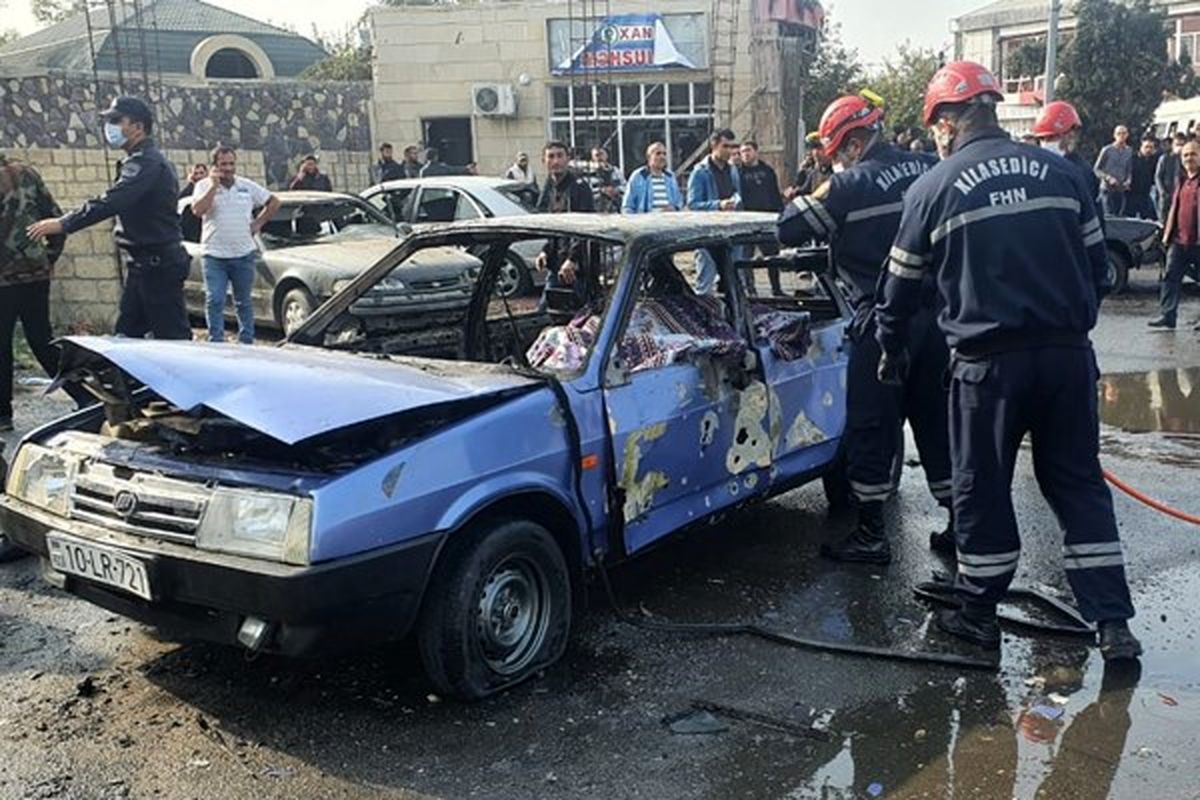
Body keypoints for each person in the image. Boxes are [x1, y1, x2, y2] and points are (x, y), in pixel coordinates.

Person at [875, 61, 1141, 662]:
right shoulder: (1065, 173)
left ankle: (977, 614)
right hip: (1068, 358)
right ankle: (1113, 624)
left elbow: (897, 294)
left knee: (982, 484)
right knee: (1077, 484)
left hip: (986, 367)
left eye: (936, 124)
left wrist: (892, 351)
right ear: (992, 107)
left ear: (947, 120)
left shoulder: (932, 189)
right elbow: (1100, 271)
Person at [778, 94, 952, 563]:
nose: (831, 160)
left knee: (871, 427)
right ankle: (961, 527)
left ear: (853, 143)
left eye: (833, 152)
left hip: (880, 325)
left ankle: (871, 535)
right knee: (939, 424)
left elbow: (787, 229)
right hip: (938, 321)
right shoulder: (928, 167)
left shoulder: (848, 185)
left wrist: (819, 189)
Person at [27, 96, 192, 341]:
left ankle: (187, 380)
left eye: (116, 120)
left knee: (173, 341)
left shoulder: (145, 162)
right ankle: (131, 380)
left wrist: (64, 224)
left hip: (157, 265)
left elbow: (112, 201)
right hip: (144, 264)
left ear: (138, 127)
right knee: (127, 338)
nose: (110, 127)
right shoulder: (140, 160)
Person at [0, 153, 90, 431]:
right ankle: (85, 397)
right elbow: (56, 219)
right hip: (35, 275)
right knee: (42, 340)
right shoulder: (27, 174)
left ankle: (3, 414)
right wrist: (47, 258)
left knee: (2, 345)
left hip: (4, 279)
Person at [189, 145, 280, 345]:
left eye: (231, 163)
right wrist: (213, 186)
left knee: (244, 301)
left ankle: (247, 340)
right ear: (215, 165)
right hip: (214, 255)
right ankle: (217, 341)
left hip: (243, 254)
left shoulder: (246, 186)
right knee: (215, 299)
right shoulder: (203, 185)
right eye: (223, 164)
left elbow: (274, 202)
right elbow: (198, 210)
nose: (228, 168)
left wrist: (258, 223)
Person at [535, 141, 595, 305]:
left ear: (568, 158)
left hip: (578, 267)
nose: (556, 161)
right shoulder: (549, 186)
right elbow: (549, 225)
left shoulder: (579, 186)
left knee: (581, 314)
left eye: (560, 156)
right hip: (556, 263)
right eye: (551, 157)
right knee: (548, 311)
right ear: (544, 161)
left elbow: (586, 227)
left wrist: (573, 259)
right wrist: (544, 251)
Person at [1149, 139, 1200, 332]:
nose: (1189, 158)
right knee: (1170, 277)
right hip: (1178, 240)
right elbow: (1174, 209)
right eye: (1185, 155)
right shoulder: (1182, 180)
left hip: (1198, 241)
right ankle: (1168, 315)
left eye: (1193, 154)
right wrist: (1167, 235)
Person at [687, 129, 742, 295]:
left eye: (732, 147)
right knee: (705, 284)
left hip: (730, 230)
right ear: (714, 145)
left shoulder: (732, 170)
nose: (730, 151)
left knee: (733, 282)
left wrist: (735, 200)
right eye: (725, 146)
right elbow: (693, 204)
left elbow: (737, 191)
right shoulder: (700, 172)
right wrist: (718, 205)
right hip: (708, 234)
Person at [739, 140, 785, 295]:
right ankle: (751, 291)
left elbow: (775, 193)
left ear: (756, 151)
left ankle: (777, 289)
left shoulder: (767, 171)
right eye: (742, 151)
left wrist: (780, 214)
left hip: (766, 219)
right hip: (746, 221)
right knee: (747, 259)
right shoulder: (738, 173)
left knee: (772, 257)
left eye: (748, 150)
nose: (745, 154)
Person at [1032, 100, 1099, 203]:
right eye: (1042, 139)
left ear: (1071, 135)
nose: (1046, 143)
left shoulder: (1081, 172)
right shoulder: (1034, 167)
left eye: (1052, 137)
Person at [622, 141, 683, 213]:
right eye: (658, 153)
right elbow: (627, 206)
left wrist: (674, 208)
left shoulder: (670, 176)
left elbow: (678, 202)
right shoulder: (638, 176)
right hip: (646, 222)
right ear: (649, 157)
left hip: (669, 221)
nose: (662, 157)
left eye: (664, 154)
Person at [1095, 125, 1133, 216]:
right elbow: (1096, 169)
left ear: (1127, 135)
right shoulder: (1107, 150)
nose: (1121, 136)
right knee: (1108, 216)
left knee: (1119, 217)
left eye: (1124, 133)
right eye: (1119, 133)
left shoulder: (1129, 151)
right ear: (1114, 135)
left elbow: (1129, 169)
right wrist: (1108, 178)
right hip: (1107, 189)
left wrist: (1128, 180)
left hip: (1120, 189)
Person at [787, 133, 833, 200]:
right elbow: (804, 190)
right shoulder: (814, 173)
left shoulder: (837, 172)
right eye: (813, 148)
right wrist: (793, 192)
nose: (816, 153)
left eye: (820, 148)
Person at [1155, 132, 1187, 223]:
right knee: (1163, 220)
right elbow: (1158, 176)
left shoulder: (1186, 160)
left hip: (1181, 195)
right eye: (1177, 144)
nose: (1179, 147)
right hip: (1166, 195)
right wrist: (1162, 192)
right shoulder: (1165, 158)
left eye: (1182, 144)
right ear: (1172, 145)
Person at [1127, 136, 1159, 220]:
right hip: (1131, 194)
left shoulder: (1155, 160)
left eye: (1151, 147)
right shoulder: (1132, 159)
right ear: (1141, 147)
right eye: (1146, 147)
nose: (1148, 150)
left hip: (1145, 194)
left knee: (1150, 219)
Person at [588, 147, 626, 214]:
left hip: (615, 209)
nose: (600, 157)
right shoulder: (587, 173)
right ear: (592, 157)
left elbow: (625, 186)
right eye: (597, 155)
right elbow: (587, 191)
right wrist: (602, 190)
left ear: (606, 155)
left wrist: (616, 190)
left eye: (602, 154)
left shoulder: (616, 171)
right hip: (596, 210)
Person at [178, 162, 208, 243]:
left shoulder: (211, 191)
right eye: (196, 173)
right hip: (190, 234)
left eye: (201, 173)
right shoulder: (186, 193)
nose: (199, 176)